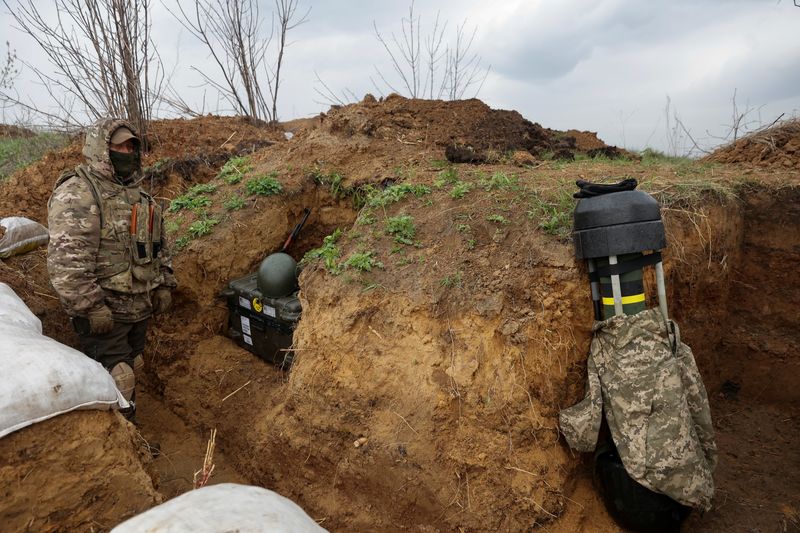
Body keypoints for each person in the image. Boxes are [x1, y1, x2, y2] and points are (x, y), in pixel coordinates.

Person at [47, 118, 176, 420]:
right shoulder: (78, 193)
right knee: (119, 376)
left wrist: (165, 283)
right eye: (119, 146)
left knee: (134, 367)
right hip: (103, 311)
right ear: (101, 149)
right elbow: (67, 262)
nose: (127, 152)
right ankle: (122, 446)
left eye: (132, 146)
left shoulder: (140, 196)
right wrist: (91, 306)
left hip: (138, 305)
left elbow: (160, 247)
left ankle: (130, 435)